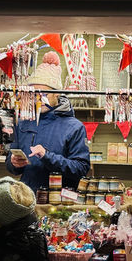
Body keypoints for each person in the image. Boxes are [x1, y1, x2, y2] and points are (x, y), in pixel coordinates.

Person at [6, 50, 90, 191]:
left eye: (44, 94)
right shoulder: (22, 122)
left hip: (59, 203)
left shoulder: (74, 127)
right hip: (27, 199)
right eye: (34, 95)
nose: (39, 99)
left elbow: (81, 169)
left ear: (56, 93)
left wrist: (47, 156)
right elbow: (10, 164)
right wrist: (13, 163)